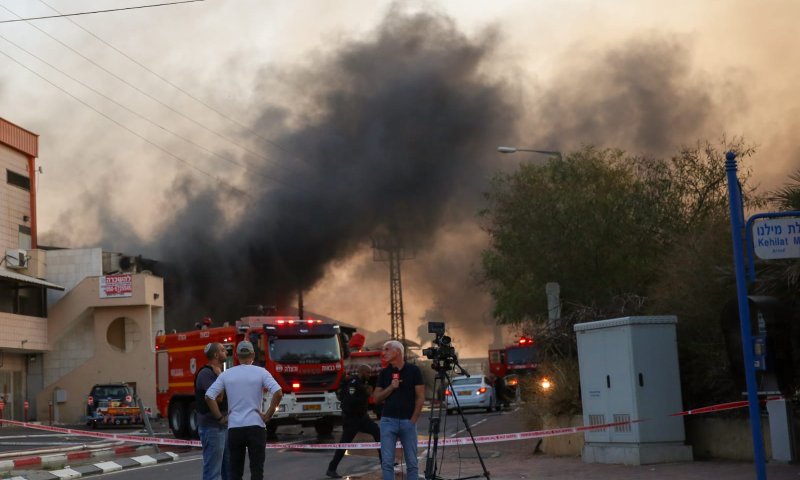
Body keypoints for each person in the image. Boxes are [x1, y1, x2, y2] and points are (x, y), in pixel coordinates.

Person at [206, 341, 283, 480]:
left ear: (236, 355)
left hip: (235, 427)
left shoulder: (227, 374)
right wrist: (267, 415)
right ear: (253, 354)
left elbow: (209, 396)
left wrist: (220, 418)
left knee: (235, 471)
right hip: (256, 426)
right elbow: (278, 392)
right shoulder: (261, 372)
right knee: (257, 470)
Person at [373, 340, 424, 480]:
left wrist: (413, 421)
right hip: (388, 421)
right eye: (384, 350)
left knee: (412, 463)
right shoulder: (384, 373)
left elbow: (420, 398)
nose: (384, 353)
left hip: (408, 422)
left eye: (387, 349)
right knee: (387, 462)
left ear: (398, 351)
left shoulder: (414, 371)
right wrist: (391, 387)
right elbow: (376, 398)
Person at [326, 364, 381, 478]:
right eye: (368, 373)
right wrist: (365, 394)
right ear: (362, 372)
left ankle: (385, 462)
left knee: (378, 432)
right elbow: (351, 400)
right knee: (344, 444)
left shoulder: (362, 384)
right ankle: (332, 468)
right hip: (352, 419)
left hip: (363, 418)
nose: (370, 375)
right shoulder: (353, 383)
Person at [196, 342, 230, 480]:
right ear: (216, 355)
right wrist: (220, 377)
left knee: (228, 467)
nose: (226, 352)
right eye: (223, 350)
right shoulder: (206, 374)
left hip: (222, 427)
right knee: (213, 472)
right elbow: (218, 398)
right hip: (212, 428)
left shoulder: (218, 372)